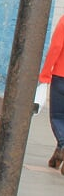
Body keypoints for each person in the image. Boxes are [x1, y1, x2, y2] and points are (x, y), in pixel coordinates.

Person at [39, 15, 64, 173]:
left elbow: (56, 46)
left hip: (61, 76)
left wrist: (45, 74)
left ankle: (62, 144)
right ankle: (58, 154)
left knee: (58, 116)